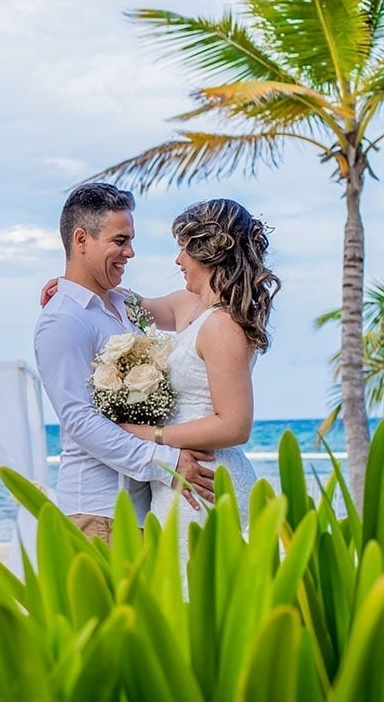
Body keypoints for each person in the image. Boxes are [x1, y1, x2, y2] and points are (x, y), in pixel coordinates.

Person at [41, 197, 281, 557]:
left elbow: (235, 425)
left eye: (183, 249)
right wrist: (69, 283)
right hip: (175, 479)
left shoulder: (222, 324)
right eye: (121, 241)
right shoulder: (188, 305)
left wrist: (153, 437)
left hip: (201, 476)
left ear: (206, 253)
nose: (178, 260)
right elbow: (127, 303)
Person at [34, 182, 216, 546]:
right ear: (81, 240)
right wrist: (167, 462)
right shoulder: (63, 320)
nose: (130, 252)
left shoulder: (123, 305)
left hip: (145, 508)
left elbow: (201, 305)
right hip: (99, 512)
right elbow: (80, 421)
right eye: (120, 241)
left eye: (130, 240)